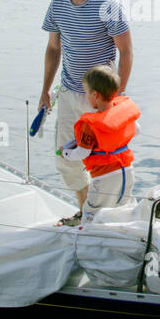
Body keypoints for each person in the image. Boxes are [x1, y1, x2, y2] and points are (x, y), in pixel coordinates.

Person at [40, 0, 133, 209]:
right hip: (68, 93)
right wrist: (45, 91)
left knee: (104, 161)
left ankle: (107, 213)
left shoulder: (107, 6)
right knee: (66, 158)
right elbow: (53, 49)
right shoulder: (57, 6)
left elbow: (125, 51)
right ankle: (84, 210)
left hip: (101, 98)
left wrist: (118, 95)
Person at [58, 65, 139, 224]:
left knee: (91, 214)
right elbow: (136, 130)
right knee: (122, 210)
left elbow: (82, 153)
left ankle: (87, 241)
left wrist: (65, 152)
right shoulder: (121, 113)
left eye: (86, 92)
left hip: (105, 176)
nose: (86, 96)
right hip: (127, 172)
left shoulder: (90, 124)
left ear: (95, 95)